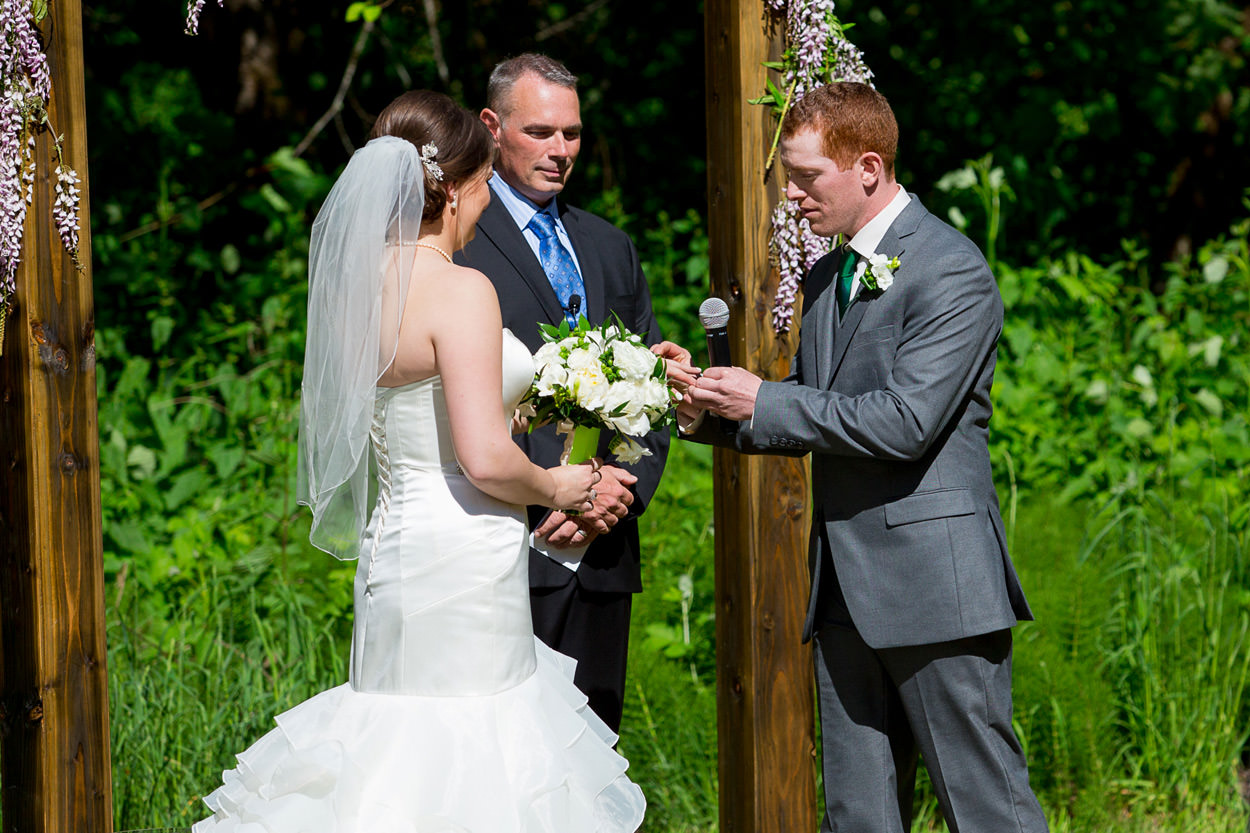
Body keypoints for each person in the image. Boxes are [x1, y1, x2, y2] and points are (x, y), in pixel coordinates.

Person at [193, 90, 645, 832]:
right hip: (466, 552)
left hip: (395, 552)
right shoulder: (463, 289)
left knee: (395, 751)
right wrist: (560, 484)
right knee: (475, 761)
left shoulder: (357, 286)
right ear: (458, 186)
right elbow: (484, 458)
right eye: (482, 187)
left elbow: (419, 411)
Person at [656, 82, 1048, 833]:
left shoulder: (951, 271)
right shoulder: (827, 276)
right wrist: (708, 406)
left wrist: (762, 400)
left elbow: (905, 422)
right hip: (841, 591)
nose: (793, 198)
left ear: (868, 167)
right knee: (857, 815)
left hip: (937, 589)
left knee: (986, 806)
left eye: (806, 178)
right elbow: (813, 408)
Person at [455, 54, 669, 734]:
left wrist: (615, 486)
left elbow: (652, 384)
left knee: (594, 759)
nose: (561, 151)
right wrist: (553, 490)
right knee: (506, 762)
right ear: (491, 127)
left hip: (604, 546)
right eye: (541, 131)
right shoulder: (455, 245)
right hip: (507, 540)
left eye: (572, 134)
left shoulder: (609, 247)